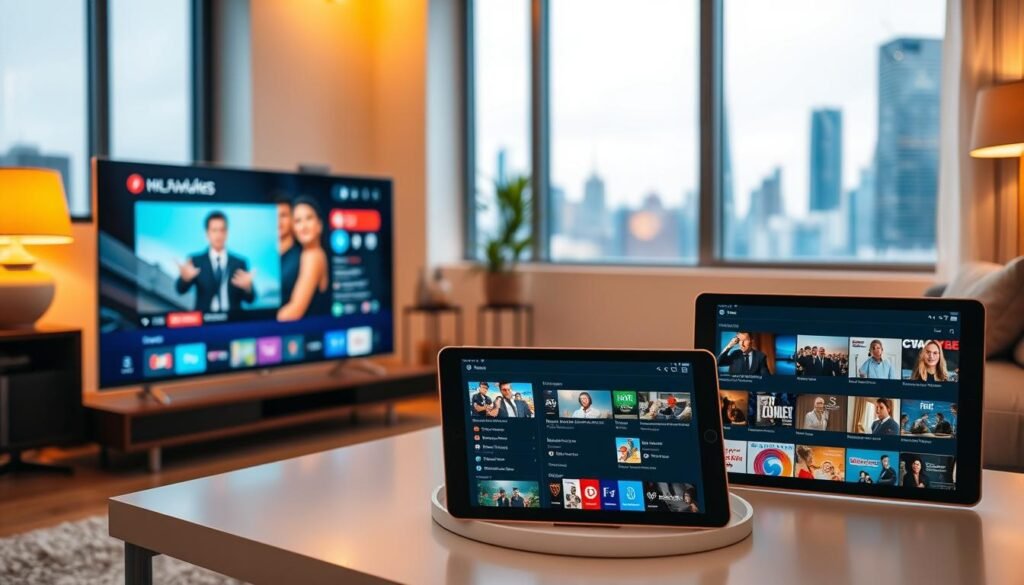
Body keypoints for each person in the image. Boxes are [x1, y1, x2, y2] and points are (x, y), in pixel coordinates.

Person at [176, 210, 255, 312]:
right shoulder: (195, 261)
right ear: (207, 233)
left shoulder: (239, 263)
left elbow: (250, 299)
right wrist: (185, 279)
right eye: (214, 230)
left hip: (233, 321)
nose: (218, 235)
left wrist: (248, 287)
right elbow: (180, 290)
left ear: (227, 233)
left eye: (222, 230)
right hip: (204, 322)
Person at [277, 197, 330, 321]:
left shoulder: (313, 255)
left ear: (319, 225)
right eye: (298, 221)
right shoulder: (306, 253)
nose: (303, 226)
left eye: (309, 218)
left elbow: (295, 311)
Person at [276, 195, 302, 306]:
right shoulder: (268, 257)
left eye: (283, 215)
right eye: (274, 215)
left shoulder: (301, 257)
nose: (278, 221)